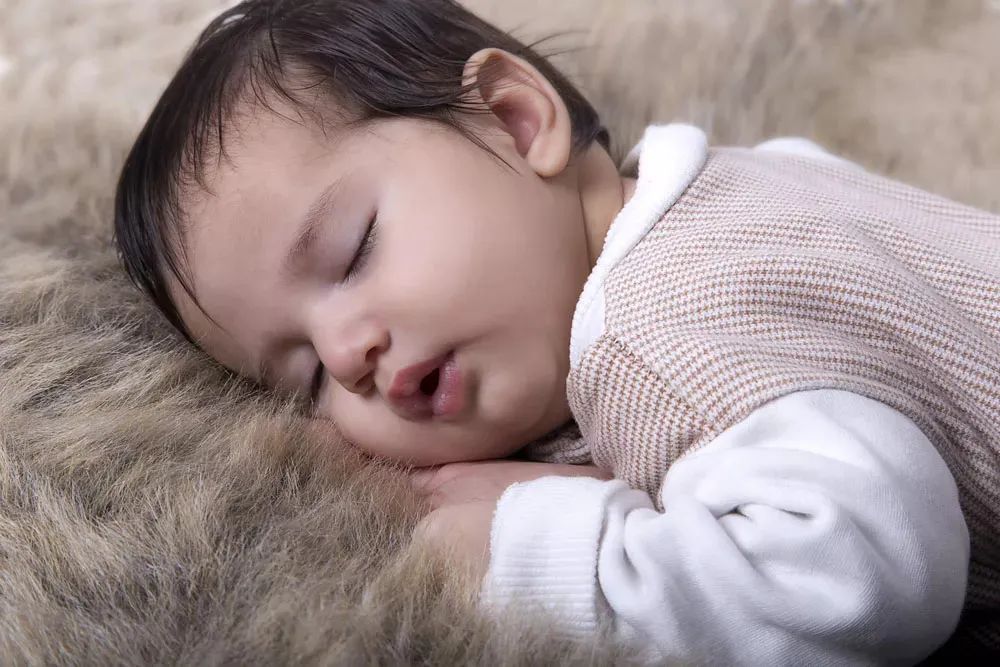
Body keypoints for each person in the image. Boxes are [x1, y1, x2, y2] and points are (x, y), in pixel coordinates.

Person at [113, 0, 1000, 663]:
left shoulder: (651, 337)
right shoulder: (732, 185)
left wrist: (540, 538)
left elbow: (862, 574)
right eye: (303, 376)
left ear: (512, 121)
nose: (349, 354)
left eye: (354, 252)